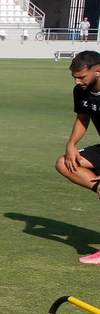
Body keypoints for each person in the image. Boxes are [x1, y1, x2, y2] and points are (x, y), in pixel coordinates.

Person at [57, 49, 100, 263]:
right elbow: (83, 119)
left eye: (81, 76)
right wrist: (71, 144)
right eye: (74, 77)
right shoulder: (81, 91)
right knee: (65, 163)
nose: (77, 82)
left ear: (98, 70)